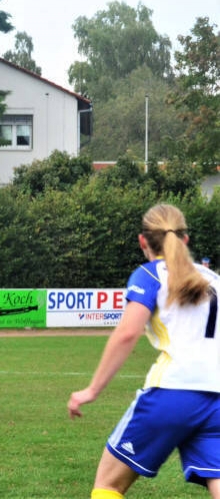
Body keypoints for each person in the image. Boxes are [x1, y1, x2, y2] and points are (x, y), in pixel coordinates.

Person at [68, 203, 220, 499]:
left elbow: (127, 333)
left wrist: (92, 390)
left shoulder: (150, 275)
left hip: (172, 392)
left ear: (142, 241)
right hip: (217, 398)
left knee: (108, 484)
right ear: (185, 239)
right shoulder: (213, 280)